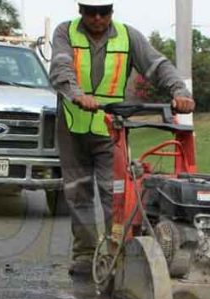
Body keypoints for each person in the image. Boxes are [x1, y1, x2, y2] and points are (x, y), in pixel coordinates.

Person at [49, 0, 196, 276]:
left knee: (114, 191)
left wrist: (180, 91)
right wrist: (77, 94)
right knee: (78, 192)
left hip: (111, 129)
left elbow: (157, 65)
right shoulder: (65, 32)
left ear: (111, 12)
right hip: (72, 124)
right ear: (80, 11)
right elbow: (60, 67)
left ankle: (117, 253)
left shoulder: (129, 37)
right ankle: (84, 254)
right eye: (90, 12)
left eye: (103, 12)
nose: (97, 18)